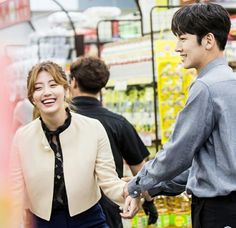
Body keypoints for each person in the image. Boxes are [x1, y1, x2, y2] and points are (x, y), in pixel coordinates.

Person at [124, 3, 236, 228]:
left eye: (183, 39)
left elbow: (178, 154)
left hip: (216, 211)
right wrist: (151, 187)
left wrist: (135, 185)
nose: (177, 48)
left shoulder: (205, 87)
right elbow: (208, 165)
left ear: (208, 40)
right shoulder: (230, 81)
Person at [9, 61, 139, 228]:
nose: (46, 92)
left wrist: (130, 191)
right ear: (32, 98)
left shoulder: (93, 128)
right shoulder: (22, 138)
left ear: (66, 89)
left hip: (89, 220)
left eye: (53, 85)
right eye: (38, 88)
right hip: (41, 223)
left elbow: (109, 181)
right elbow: (15, 194)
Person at [69, 56, 158, 227]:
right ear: (102, 85)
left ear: (73, 82)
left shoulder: (64, 122)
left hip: (71, 210)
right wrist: (148, 202)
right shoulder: (119, 123)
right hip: (109, 208)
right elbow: (140, 170)